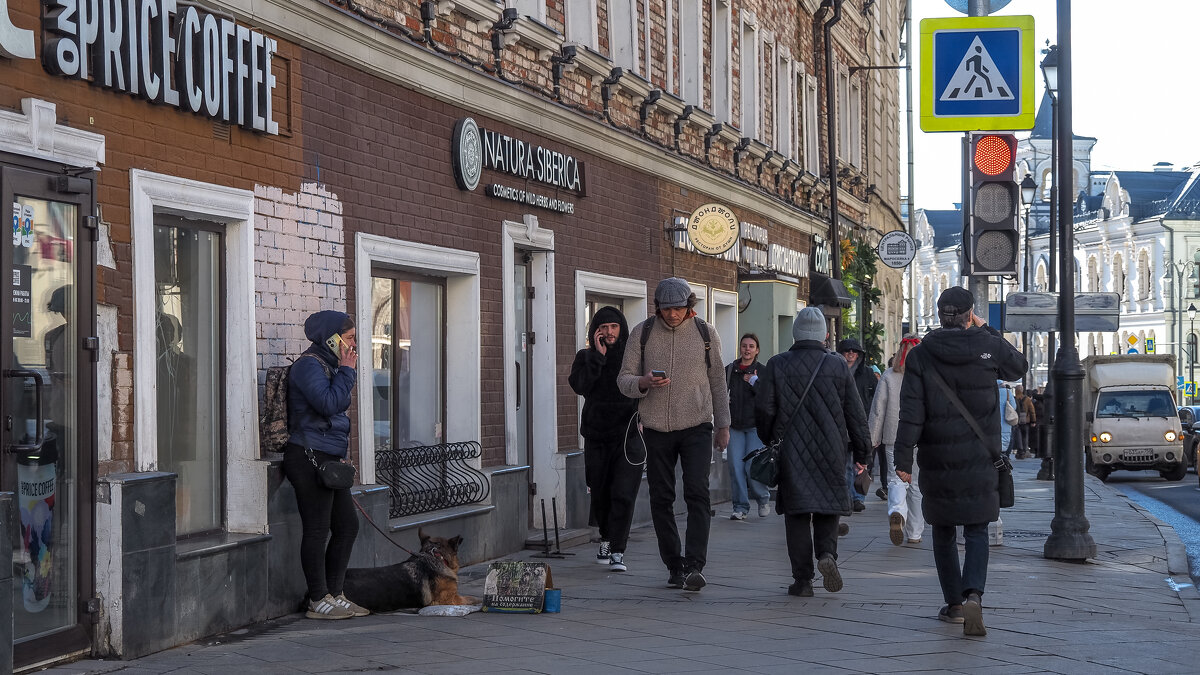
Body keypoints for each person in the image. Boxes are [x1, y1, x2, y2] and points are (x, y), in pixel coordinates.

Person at [894, 287, 1026, 637]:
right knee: (978, 528)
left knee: (943, 530)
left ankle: (953, 604)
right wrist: (987, 330)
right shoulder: (988, 346)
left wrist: (903, 458)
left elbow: (911, 412)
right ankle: (973, 595)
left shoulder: (920, 356)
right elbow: (1019, 366)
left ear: (940, 315)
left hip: (938, 457)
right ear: (969, 315)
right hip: (981, 457)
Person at [618, 278, 730, 592]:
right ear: (658, 308)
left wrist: (723, 425)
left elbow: (718, 381)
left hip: (697, 425)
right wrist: (642, 382)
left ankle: (695, 565)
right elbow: (623, 379)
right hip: (655, 428)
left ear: (689, 307)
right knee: (661, 498)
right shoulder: (642, 333)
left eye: (678, 308)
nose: (672, 315)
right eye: (666, 309)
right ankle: (674, 564)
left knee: (697, 491)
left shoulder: (706, 333)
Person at [757, 307, 870, 597]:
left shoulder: (777, 364)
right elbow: (855, 414)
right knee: (827, 508)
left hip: (792, 450)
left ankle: (803, 581)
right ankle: (827, 555)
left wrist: (770, 439)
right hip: (831, 449)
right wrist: (862, 454)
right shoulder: (837, 366)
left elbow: (765, 410)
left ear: (794, 334)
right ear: (825, 336)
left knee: (796, 515)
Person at [283, 310, 367, 620]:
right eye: (349, 339)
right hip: (308, 457)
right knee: (317, 530)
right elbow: (329, 404)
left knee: (347, 526)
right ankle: (317, 599)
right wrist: (347, 371)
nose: (353, 345)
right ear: (330, 339)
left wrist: (343, 370)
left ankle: (336, 593)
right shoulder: (309, 366)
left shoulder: (330, 366)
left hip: (328, 458)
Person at [569, 306, 644, 572]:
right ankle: (606, 536)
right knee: (600, 491)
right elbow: (580, 386)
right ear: (596, 331)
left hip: (627, 436)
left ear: (621, 328)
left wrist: (644, 419)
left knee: (623, 492)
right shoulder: (585, 357)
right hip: (597, 436)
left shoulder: (633, 359)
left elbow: (644, 390)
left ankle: (618, 551)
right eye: (604, 328)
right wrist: (597, 358)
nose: (610, 332)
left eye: (614, 327)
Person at [868, 335, 924, 546]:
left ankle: (897, 511)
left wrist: (873, 437)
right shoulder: (925, 375)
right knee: (917, 485)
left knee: (895, 479)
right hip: (920, 437)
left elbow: (878, 409)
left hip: (893, 435)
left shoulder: (889, 376)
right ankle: (915, 533)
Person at [725, 333, 770, 520]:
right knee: (735, 467)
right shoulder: (729, 370)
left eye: (751, 346)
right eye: (744, 346)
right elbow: (719, 394)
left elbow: (768, 397)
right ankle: (740, 507)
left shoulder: (763, 371)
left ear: (757, 350)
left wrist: (753, 382)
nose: (747, 349)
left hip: (755, 427)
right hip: (734, 426)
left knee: (752, 466)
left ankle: (763, 498)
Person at [837, 338, 876, 512]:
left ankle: (858, 497)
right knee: (845, 463)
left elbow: (875, 398)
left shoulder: (867, 374)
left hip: (861, 423)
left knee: (860, 463)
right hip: (841, 423)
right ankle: (847, 497)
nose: (851, 354)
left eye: (854, 351)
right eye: (847, 351)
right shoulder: (835, 371)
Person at [1013, 386, 1037, 459]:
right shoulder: (1027, 399)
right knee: (1025, 436)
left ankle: (1020, 451)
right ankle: (1025, 450)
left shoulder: (1014, 398)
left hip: (1017, 420)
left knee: (1018, 435)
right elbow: (1032, 410)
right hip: (1026, 420)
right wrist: (1033, 421)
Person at [998, 382, 1015, 459]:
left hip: (994, 421)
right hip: (1006, 420)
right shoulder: (1008, 392)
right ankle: (1005, 455)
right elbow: (1014, 406)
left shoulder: (992, 392)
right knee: (1006, 438)